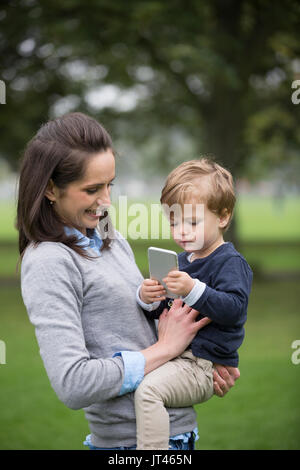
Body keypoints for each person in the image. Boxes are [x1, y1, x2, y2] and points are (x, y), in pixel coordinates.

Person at [17, 112, 239, 451]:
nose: (107, 201)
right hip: (131, 445)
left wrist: (205, 360)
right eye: (92, 189)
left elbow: (137, 322)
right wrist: (165, 349)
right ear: (50, 188)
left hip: (178, 432)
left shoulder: (105, 231)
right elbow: (73, 383)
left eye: (110, 185)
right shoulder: (49, 260)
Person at [135, 158, 253, 450]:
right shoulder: (183, 261)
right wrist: (149, 298)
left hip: (201, 366)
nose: (182, 232)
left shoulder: (230, 263)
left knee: (148, 392)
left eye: (193, 222)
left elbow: (234, 309)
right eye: (175, 222)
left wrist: (192, 289)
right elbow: (168, 312)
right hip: (174, 354)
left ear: (223, 217)